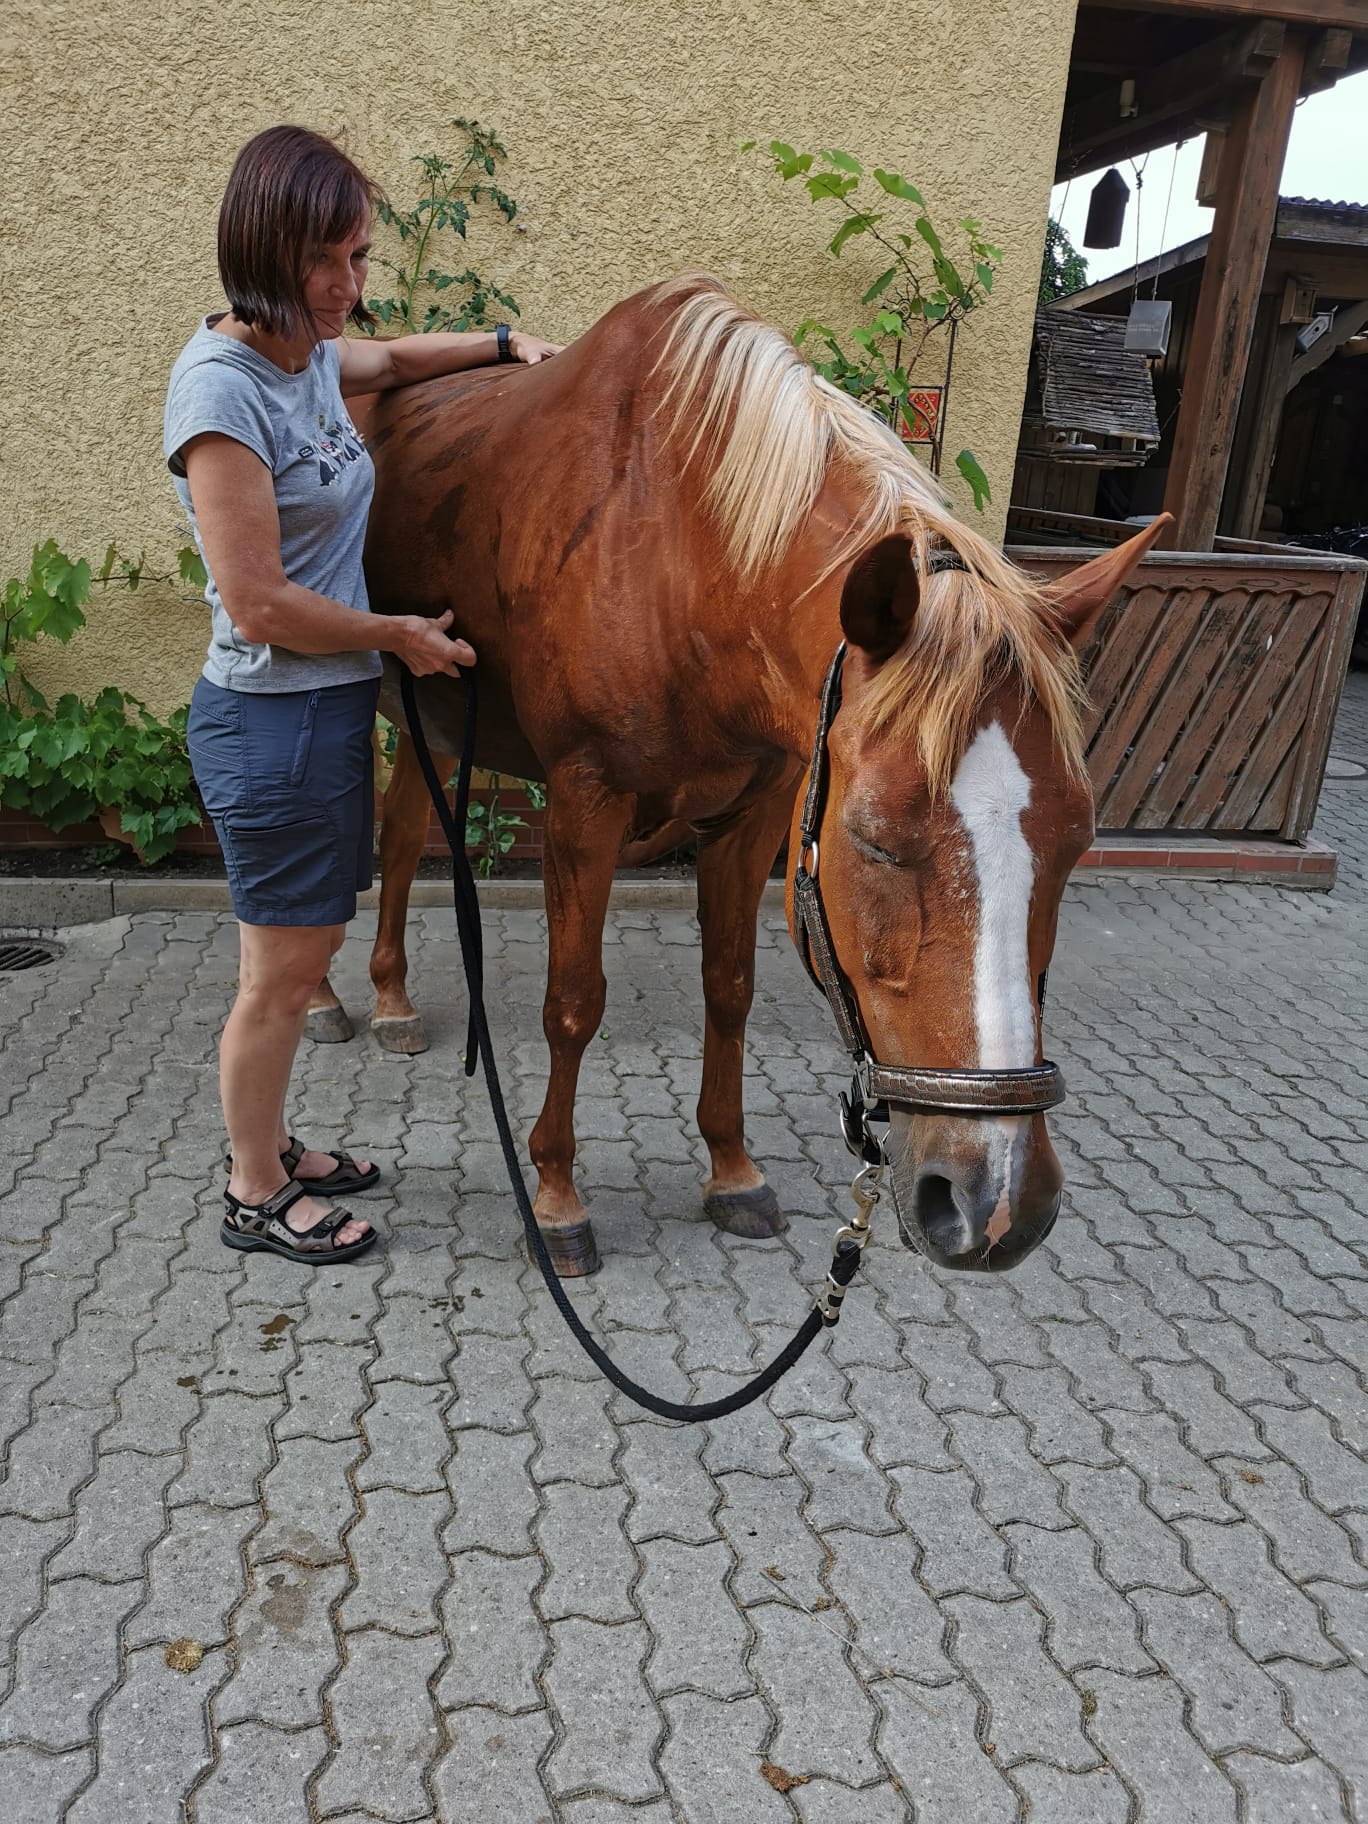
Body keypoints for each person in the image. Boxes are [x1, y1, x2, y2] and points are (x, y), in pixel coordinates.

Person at [164, 125, 561, 1264]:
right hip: (272, 718)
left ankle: (274, 1145)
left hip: (323, 711)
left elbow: (387, 363)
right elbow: (263, 606)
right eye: (325, 264)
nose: (349, 289)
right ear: (265, 254)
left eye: (359, 259)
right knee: (283, 977)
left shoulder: (305, 352)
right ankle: (253, 1192)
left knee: (291, 961)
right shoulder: (222, 393)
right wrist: (401, 638)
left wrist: (502, 342)